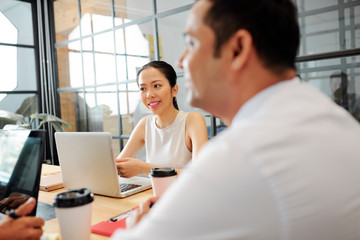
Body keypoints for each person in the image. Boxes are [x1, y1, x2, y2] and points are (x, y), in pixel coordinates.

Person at [112, 0, 360, 239]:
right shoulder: (341, 124)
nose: (182, 61)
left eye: (192, 43)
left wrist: (136, 229)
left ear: (238, 49)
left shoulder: (240, 155)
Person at [116, 61, 208, 178]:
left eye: (157, 86)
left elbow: (200, 174)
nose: (149, 95)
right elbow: (119, 164)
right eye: (143, 89)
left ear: (174, 90)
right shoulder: (145, 124)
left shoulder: (192, 120)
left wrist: (144, 168)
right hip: (155, 194)